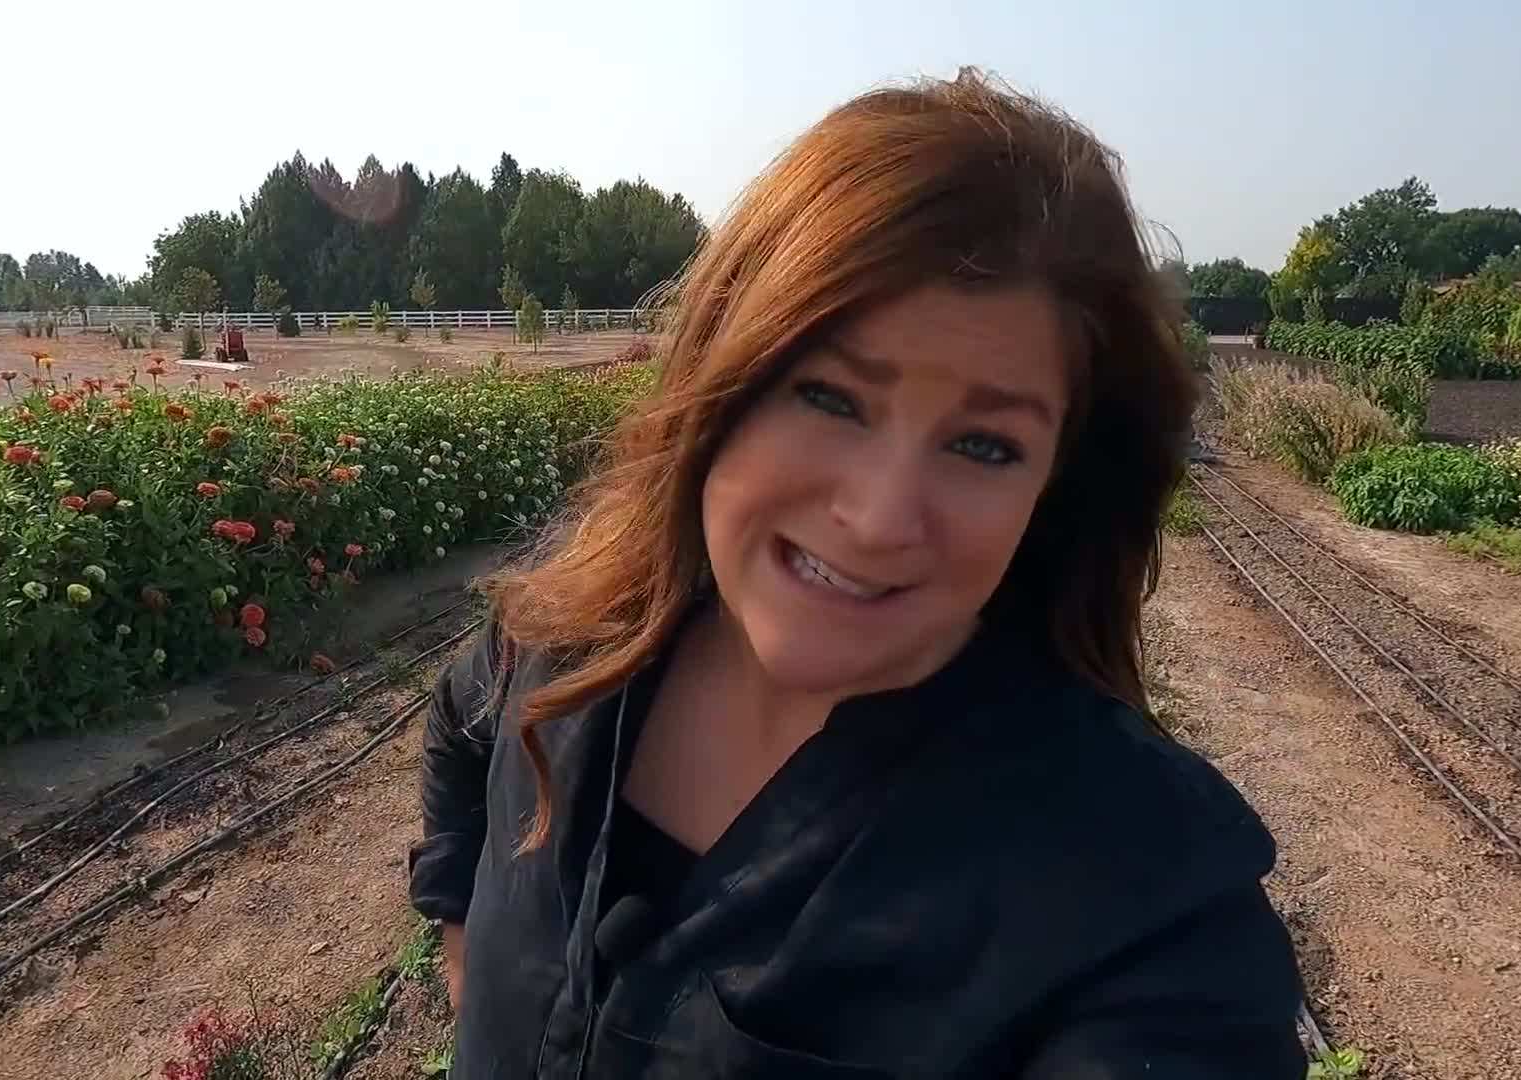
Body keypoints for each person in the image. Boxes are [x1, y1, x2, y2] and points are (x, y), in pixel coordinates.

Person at [409, 68, 1305, 1078]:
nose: (879, 518)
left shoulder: (1136, 903)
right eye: (832, 398)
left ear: (1056, 485)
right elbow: (462, 716)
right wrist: (464, 944)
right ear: (724, 381)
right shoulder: (577, 639)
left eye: (984, 447)